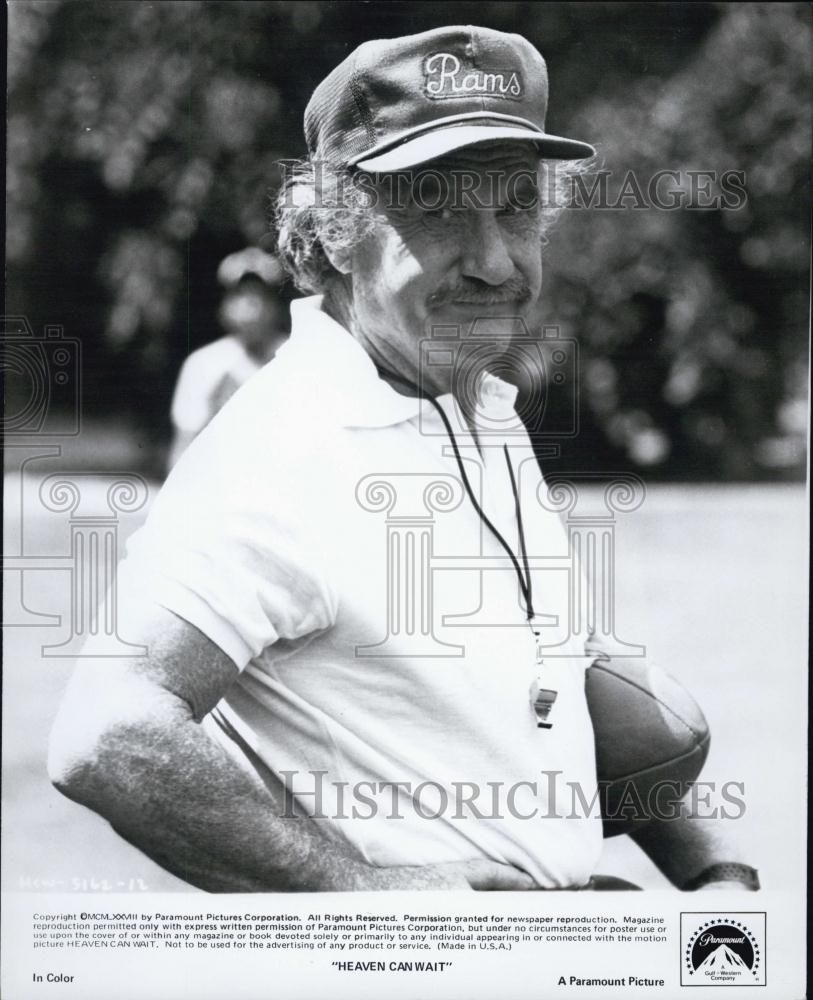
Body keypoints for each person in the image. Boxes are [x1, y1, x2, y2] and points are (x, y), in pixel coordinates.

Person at [48, 26, 758, 894]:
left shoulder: (478, 410)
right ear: (335, 231)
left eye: (515, 207)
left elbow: (559, 686)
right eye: (438, 207)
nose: (495, 260)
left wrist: (712, 868)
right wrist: (369, 894)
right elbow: (107, 732)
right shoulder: (283, 448)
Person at [168, 247, 288, 469]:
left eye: (260, 296)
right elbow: (184, 446)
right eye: (240, 295)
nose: (251, 306)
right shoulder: (204, 363)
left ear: (276, 305)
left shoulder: (298, 357)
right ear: (225, 306)